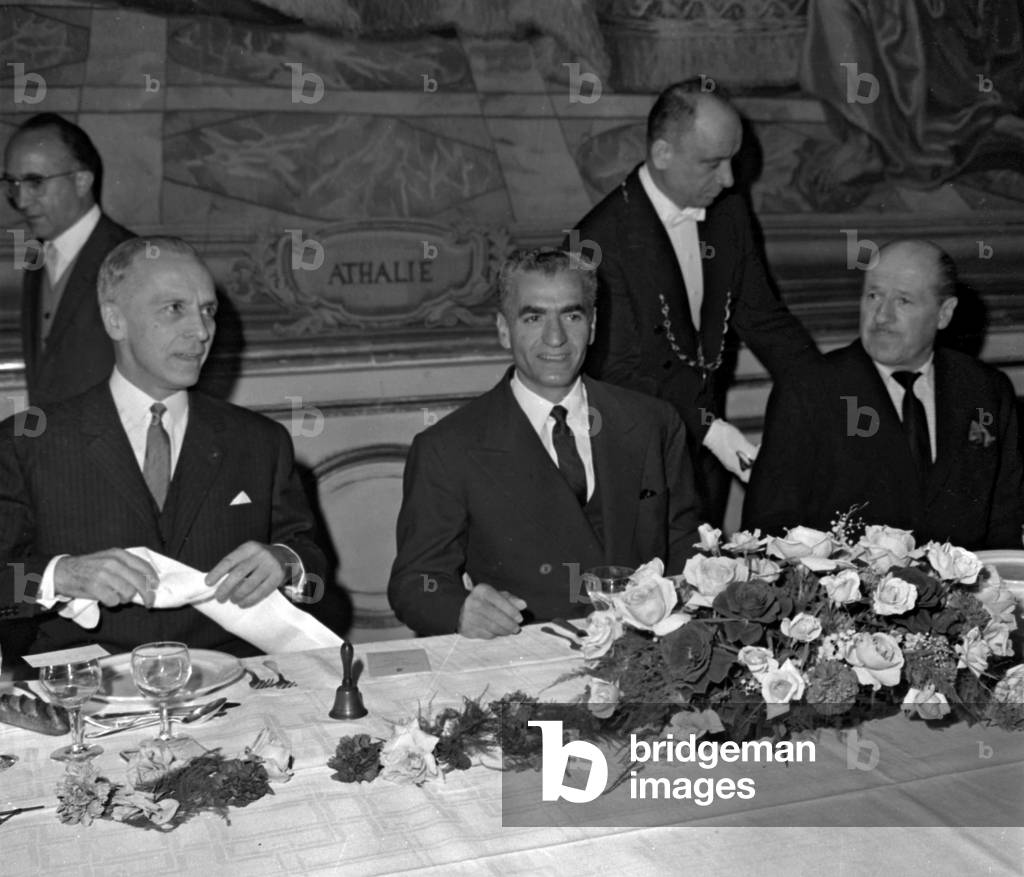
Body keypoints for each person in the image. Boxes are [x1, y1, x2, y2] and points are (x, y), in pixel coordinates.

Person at [0, 237, 329, 657]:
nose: (202, 330)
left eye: (208, 310)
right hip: (86, 694)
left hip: (235, 686)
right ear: (115, 320)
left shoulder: (259, 440)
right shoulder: (29, 442)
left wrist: (285, 561)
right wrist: (59, 575)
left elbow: (310, 561)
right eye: (175, 309)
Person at [388, 248, 700, 638]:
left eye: (571, 315)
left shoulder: (654, 422)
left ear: (594, 324)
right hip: (523, 666)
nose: (556, 338)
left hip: (644, 661)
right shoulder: (448, 447)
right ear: (504, 329)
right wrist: (459, 610)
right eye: (534, 317)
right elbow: (414, 583)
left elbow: (685, 544)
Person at [570, 80, 820, 526]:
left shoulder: (729, 212)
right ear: (662, 154)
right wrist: (714, 433)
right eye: (712, 163)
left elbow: (765, 321)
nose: (728, 179)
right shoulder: (597, 241)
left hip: (706, 462)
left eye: (732, 160)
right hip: (636, 457)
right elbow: (617, 372)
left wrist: (833, 394)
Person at [743, 239, 1024, 549]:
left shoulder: (985, 390)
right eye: (873, 295)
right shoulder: (810, 390)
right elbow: (767, 533)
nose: (881, 316)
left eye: (903, 301)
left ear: (944, 313)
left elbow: (1006, 525)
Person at [3, 113, 135, 408]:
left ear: (82, 181)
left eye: (35, 182)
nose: (21, 201)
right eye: (12, 183)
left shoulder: (133, 259)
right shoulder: (37, 257)